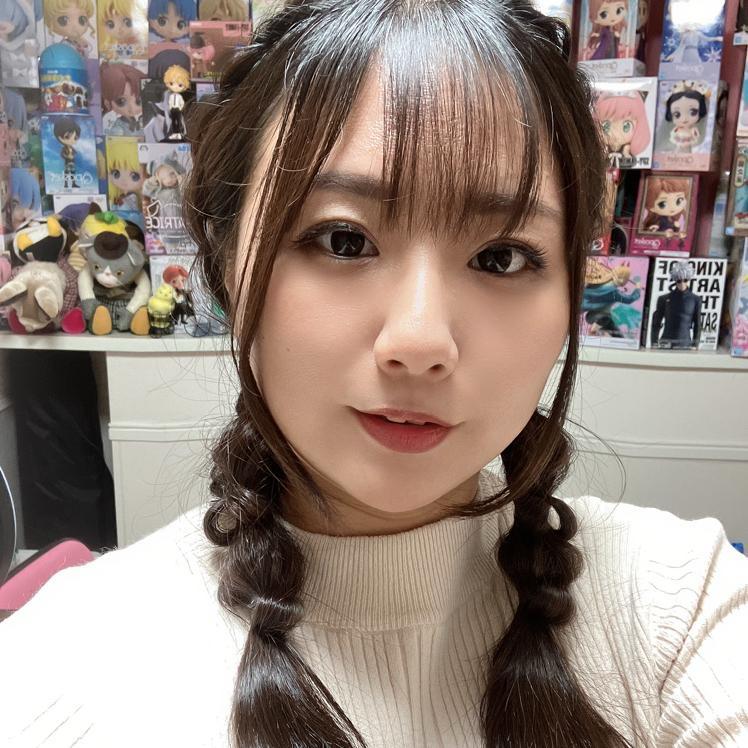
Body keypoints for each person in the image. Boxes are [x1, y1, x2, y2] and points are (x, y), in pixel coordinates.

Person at [2, 1, 748, 746]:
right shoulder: (69, 666)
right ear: (228, 266)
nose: (419, 341)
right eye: (342, 240)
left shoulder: (678, 601)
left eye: (501, 257)